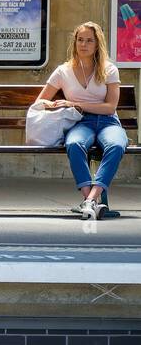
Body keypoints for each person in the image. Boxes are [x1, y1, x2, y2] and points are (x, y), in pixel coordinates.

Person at [35, 21, 127, 219]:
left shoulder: (109, 69)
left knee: (116, 145)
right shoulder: (63, 71)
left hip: (108, 122)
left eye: (89, 40)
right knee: (74, 144)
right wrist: (57, 104)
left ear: (97, 44)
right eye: (80, 40)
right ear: (74, 42)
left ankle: (92, 199)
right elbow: (41, 100)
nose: (83, 44)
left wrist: (75, 103)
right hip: (80, 123)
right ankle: (90, 201)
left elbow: (110, 107)